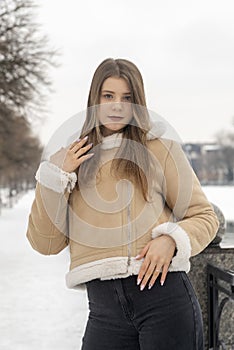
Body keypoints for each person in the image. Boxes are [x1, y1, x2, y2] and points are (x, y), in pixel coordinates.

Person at [26, 58, 219, 350]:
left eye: (127, 98)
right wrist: (57, 177)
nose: (117, 106)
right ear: (95, 99)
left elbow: (204, 216)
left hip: (164, 301)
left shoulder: (160, 148)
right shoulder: (73, 158)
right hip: (104, 314)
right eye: (108, 96)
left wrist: (172, 239)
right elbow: (46, 243)